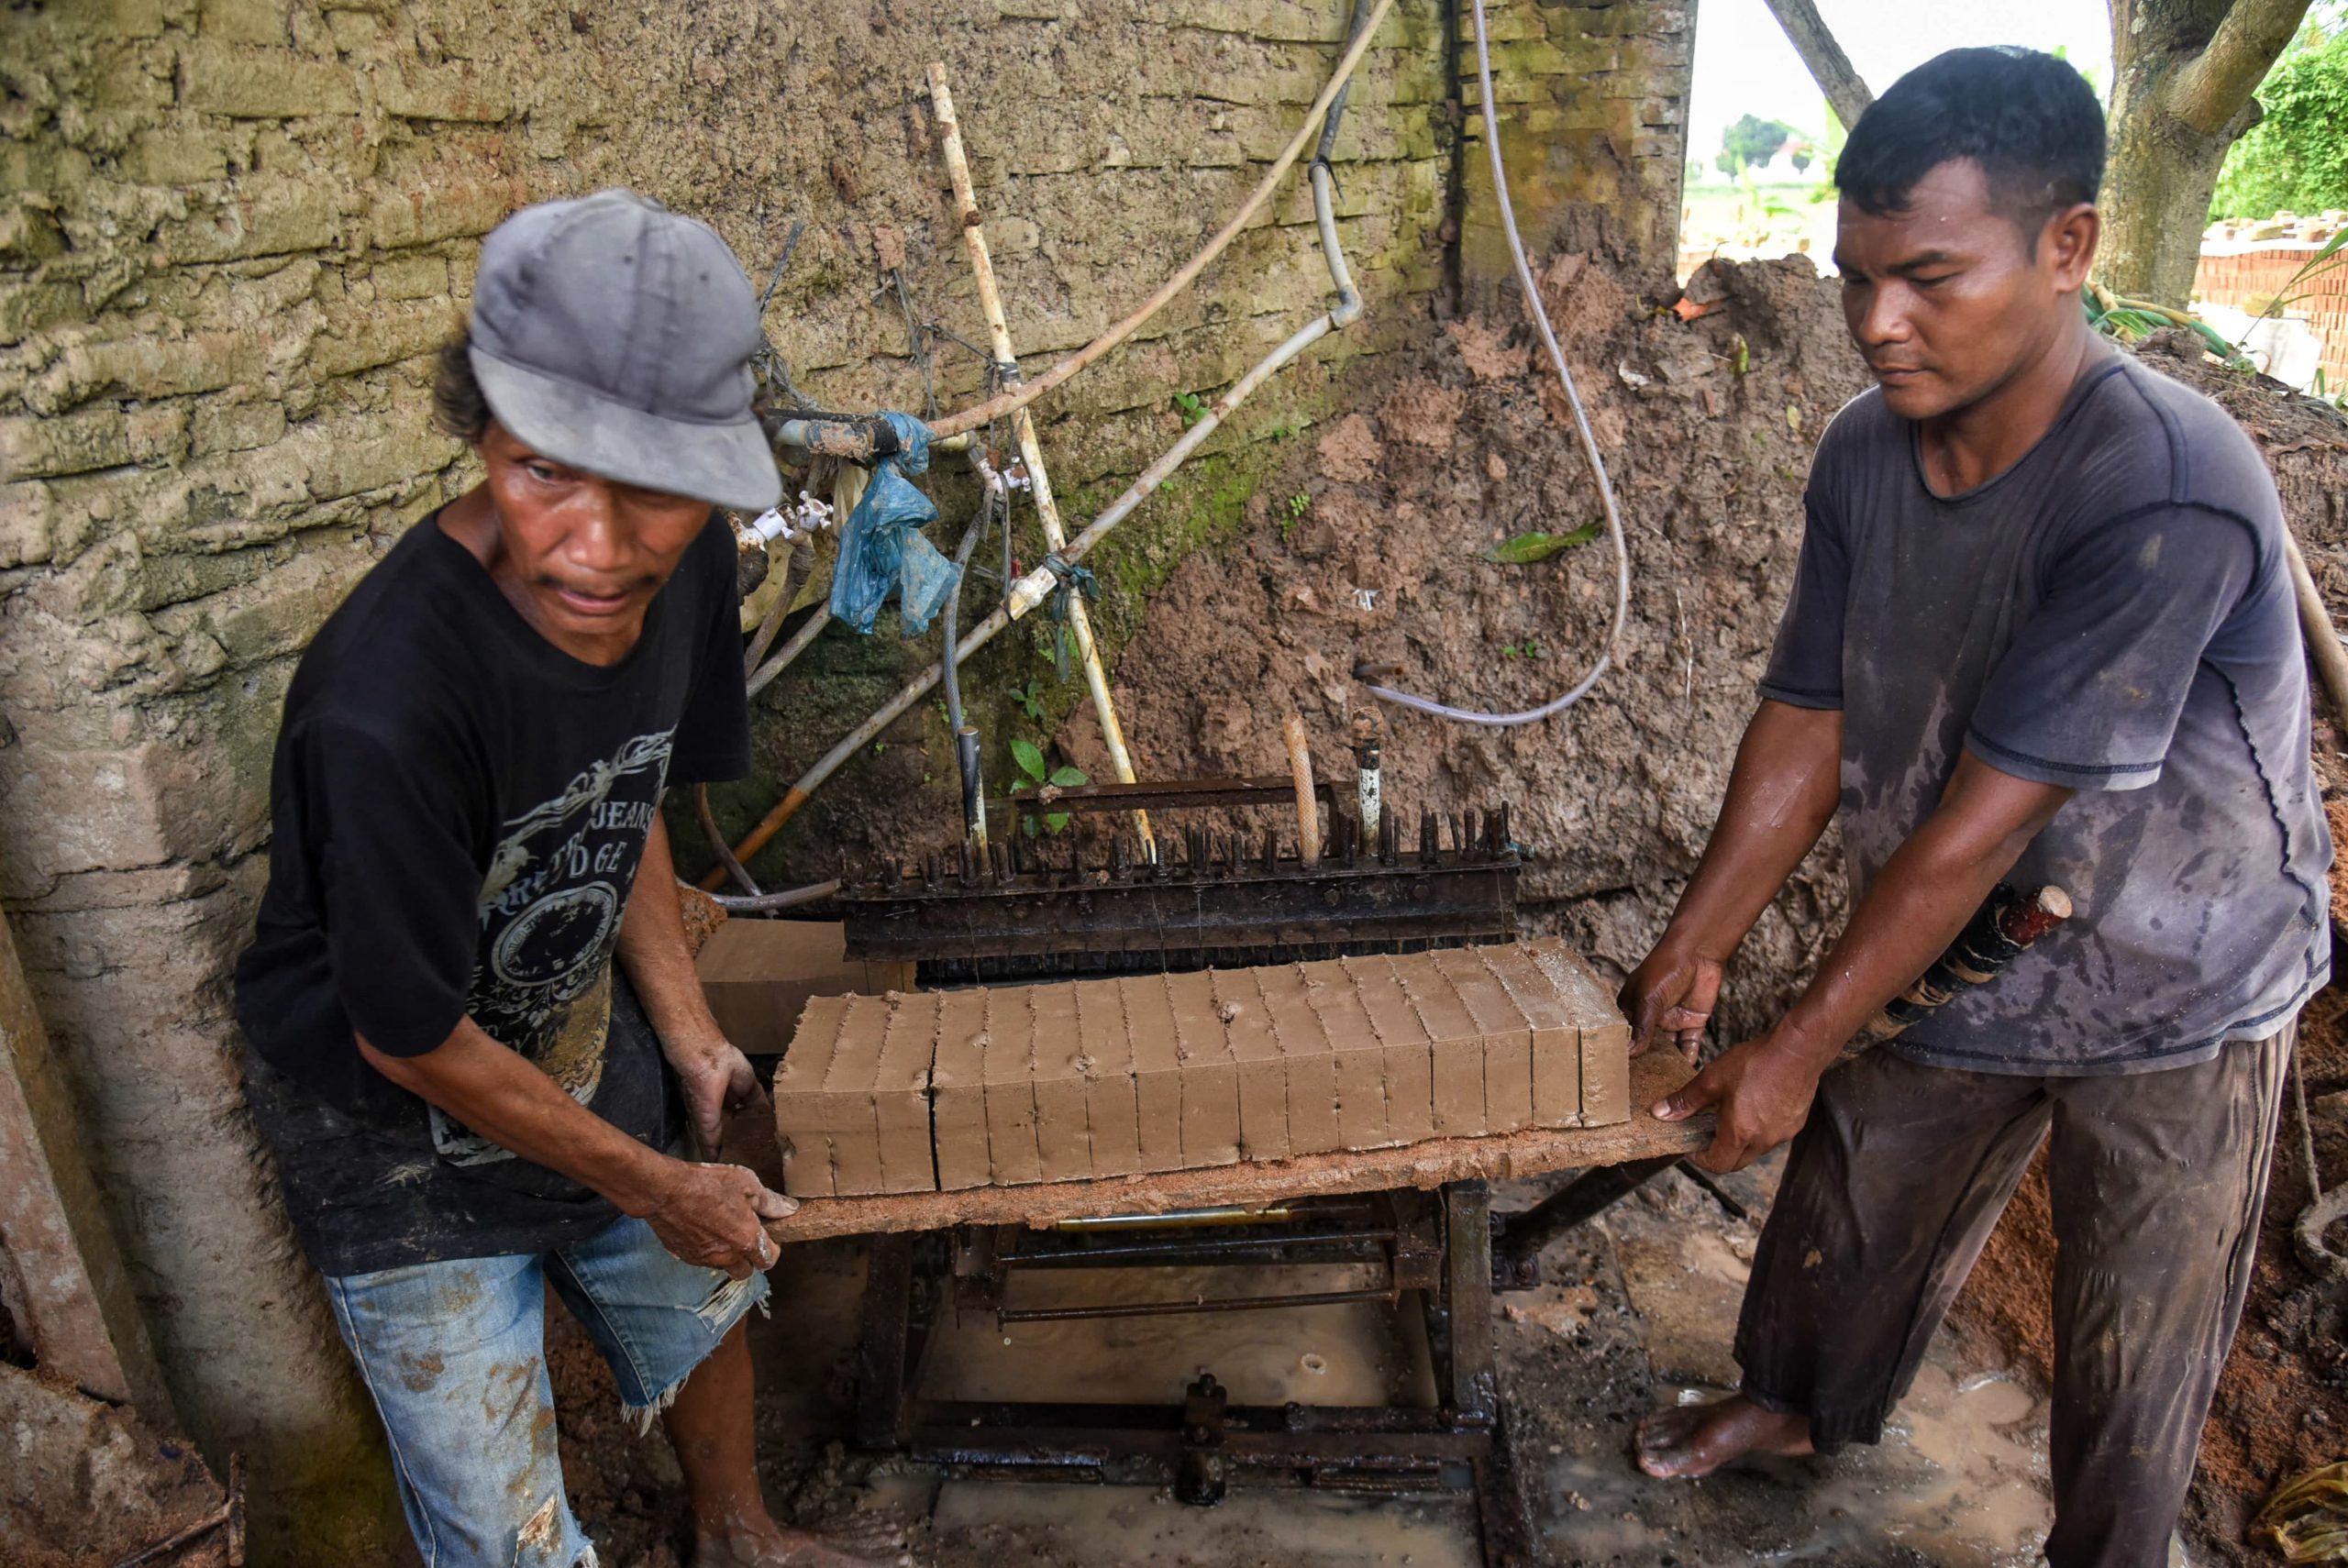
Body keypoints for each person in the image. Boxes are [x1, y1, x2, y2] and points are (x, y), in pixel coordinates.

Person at [1620, 48, 2331, 1567]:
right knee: (1861, 1190)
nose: (1879, 323)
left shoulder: (2159, 481)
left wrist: (1798, 1041)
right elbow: (1809, 712)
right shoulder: (1866, 453)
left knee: (2138, 1324)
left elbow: (1987, 821)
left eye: (1931, 277)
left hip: (2176, 971)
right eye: (1855, 277)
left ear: (2068, 247)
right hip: (1990, 940)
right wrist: (1700, 939)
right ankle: (1803, 1403)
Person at [234, 189, 892, 1568]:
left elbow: (625, 788)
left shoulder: (697, 570)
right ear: (479, 434)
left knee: (705, 1302)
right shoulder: (387, 706)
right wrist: (655, 1181)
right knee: (510, 1537)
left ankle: (741, 1537)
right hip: (394, 1119)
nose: (595, 549)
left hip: (568, 1016)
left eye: (653, 489)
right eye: (543, 473)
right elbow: (406, 1034)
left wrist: (691, 1031)